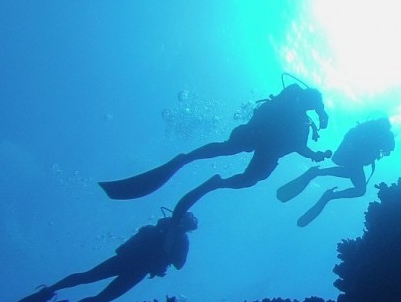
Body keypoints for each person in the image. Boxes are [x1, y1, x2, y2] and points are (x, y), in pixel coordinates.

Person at [99, 82, 332, 221]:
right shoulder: (294, 98)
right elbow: (300, 134)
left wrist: (315, 154)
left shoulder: (302, 122)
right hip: (259, 135)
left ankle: (210, 178)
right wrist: (321, 115)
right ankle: (192, 164)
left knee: (245, 174)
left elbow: (300, 147)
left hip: (264, 144)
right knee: (230, 154)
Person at [0, 212, 197, 302]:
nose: (183, 227)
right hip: (130, 263)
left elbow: (179, 264)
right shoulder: (167, 227)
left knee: (97, 293)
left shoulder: (179, 239)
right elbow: (175, 260)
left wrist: (170, 249)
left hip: (134, 268)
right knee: (89, 281)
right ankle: (49, 298)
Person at [277, 117, 395, 226]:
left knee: (356, 182)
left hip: (344, 157)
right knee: (359, 189)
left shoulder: (367, 130)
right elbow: (388, 149)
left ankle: (320, 178)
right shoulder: (382, 135)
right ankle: (328, 191)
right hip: (354, 159)